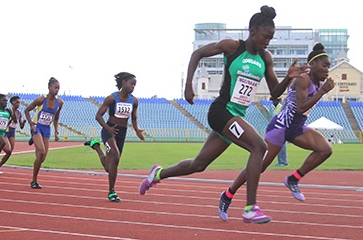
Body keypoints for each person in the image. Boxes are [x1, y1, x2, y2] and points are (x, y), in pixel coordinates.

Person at [139, 5, 309, 224]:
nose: (268, 42)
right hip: (221, 111)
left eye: (271, 38)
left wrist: (288, 78)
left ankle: (158, 173)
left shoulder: (265, 58)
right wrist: (188, 86)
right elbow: (197, 53)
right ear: (253, 31)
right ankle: (250, 208)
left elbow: (275, 93)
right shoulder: (232, 47)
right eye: (266, 37)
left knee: (198, 164)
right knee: (259, 147)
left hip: (237, 115)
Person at [218, 42, 334, 221]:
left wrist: (322, 90)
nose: (328, 70)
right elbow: (301, 108)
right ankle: (228, 194)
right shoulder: (303, 79)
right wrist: (323, 92)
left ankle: (293, 179)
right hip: (281, 127)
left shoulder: (320, 83)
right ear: (312, 65)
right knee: (260, 166)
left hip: (297, 128)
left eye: (329, 66)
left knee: (325, 149)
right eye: (324, 65)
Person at [95, 72, 144, 202]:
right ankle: (112, 192)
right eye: (131, 83)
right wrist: (108, 128)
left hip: (122, 132)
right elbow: (98, 116)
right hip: (110, 130)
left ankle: (96, 147)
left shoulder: (134, 100)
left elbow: (134, 118)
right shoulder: (111, 98)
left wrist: (137, 130)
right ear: (123, 82)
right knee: (115, 156)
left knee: (109, 166)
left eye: (135, 85)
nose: (133, 86)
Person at [24, 77, 64, 189]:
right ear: (49, 87)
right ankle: (34, 181)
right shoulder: (41, 100)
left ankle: (36, 140)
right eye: (55, 87)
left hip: (47, 129)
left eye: (58, 88)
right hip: (37, 127)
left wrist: (56, 131)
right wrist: (31, 125)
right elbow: (27, 110)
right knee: (41, 152)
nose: (57, 90)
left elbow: (56, 118)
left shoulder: (60, 102)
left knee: (43, 157)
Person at [270, 97, 288, 167]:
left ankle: (283, 162)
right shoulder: (273, 108)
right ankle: (281, 161)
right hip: (276, 128)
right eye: (273, 100)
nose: (274, 102)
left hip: (281, 128)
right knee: (277, 145)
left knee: (282, 146)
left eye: (275, 100)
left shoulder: (280, 107)